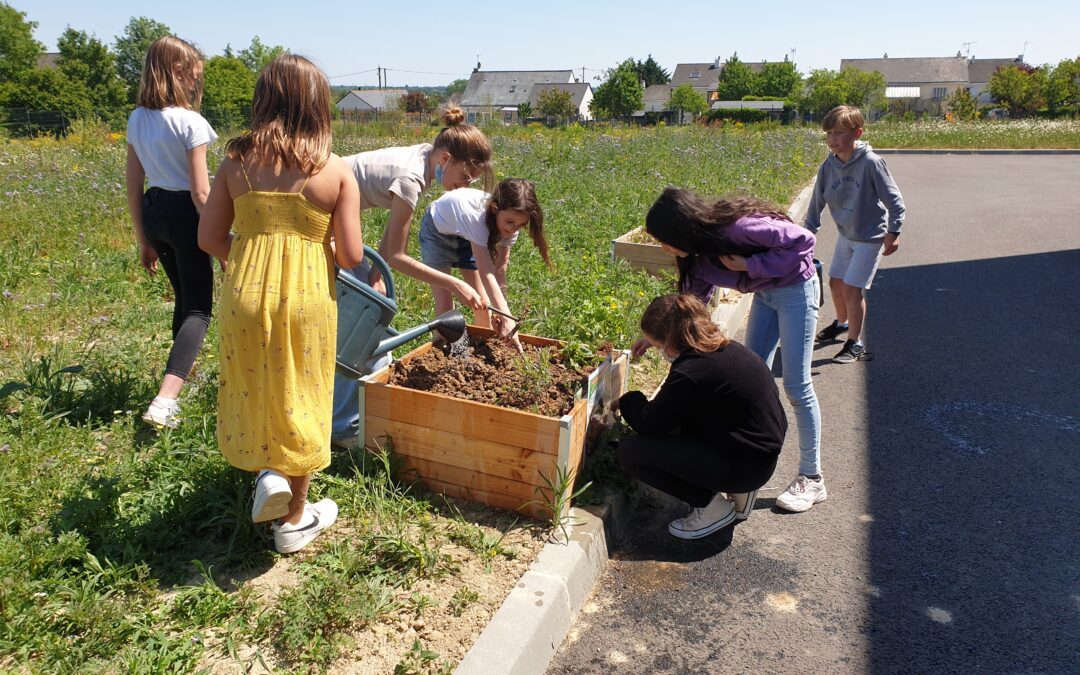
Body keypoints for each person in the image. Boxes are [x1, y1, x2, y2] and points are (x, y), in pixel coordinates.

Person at [198, 54, 363, 554]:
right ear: (318, 106)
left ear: (263, 99)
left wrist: (249, 261)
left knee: (256, 381)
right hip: (308, 298)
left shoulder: (234, 163)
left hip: (244, 294)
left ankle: (268, 471)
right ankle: (293, 518)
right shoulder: (334, 171)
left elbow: (208, 237)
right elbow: (352, 256)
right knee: (304, 388)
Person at [640, 187, 825, 513]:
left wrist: (751, 264)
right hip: (766, 296)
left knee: (796, 385)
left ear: (680, 228)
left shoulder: (738, 229)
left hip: (795, 289)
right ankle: (748, 466)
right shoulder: (696, 258)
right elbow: (690, 306)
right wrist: (655, 335)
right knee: (754, 373)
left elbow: (804, 242)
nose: (663, 248)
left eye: (664, 239)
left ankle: (812, 477)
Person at [331, 106, 494, 447]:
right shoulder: (410, 178)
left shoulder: (422, 157)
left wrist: (376, 273)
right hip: (320, 219)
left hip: (335, 221)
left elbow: (389, 242)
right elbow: (398, 255)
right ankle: (342, 426)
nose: (464, 186)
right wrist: (455, 283)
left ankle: (345, 410)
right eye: (465, 178)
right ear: (446, 158)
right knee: (357, 324)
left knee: (371, 309)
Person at [617, 294, 787, 539]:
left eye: (657, 345)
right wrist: (654, 338)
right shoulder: (728, 351)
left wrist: (627, 399)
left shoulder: (693, 371)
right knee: (685, 418)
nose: (658, 351)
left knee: (632, 451)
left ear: (671, 339)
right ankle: (741, 493)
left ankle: (710, 507)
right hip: (760, 457)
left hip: (743, 468)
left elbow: (650, 424)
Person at [124, 36, 216, 429]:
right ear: (178, 72)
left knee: (185, 298)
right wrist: (219, 239)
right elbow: (200, 191)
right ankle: (166, 399)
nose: (196, 83)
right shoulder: (190, 122)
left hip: (154, 212)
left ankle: (182, 375)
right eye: (194, 76)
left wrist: (143, 238)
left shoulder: (136, 118)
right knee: (199, 309)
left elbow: (132, 182)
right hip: (185, 214)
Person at [804, 105, 906, 363]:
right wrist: (807, 235)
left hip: (870, 237)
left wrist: (894, 231)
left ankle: (855, 342)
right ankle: (841, 323)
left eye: (839, 133)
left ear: (857, 133)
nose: (832, 139)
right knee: (835, 282)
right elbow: (817, 202)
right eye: (828, 133)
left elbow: (895, 201)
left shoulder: (872, 163)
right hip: (846, 235)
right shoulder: (828, 166)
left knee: (851, 289)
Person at [418, 177, 551, 347]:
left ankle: (483, 347)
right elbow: (486, 273)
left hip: (467, 236)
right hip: (438, 231)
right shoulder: (475, 218)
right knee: (446, 304)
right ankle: (441, 348)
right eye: (510, 222)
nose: (512, 229)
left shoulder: (509, 227)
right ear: (495, 208)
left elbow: (499, 271)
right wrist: (508, 317)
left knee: (483, 303)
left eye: (519, 225)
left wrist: (501, 314)